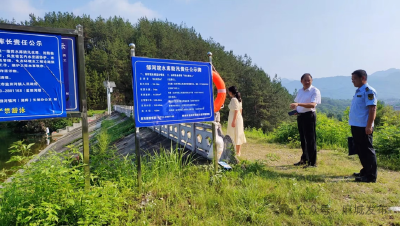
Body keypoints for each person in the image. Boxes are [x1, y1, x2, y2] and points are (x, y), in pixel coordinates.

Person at [349, 69, 377, 183]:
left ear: (363, 78)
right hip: (356, 125)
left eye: (355, 79)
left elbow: (372, 109)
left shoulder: (368, 91)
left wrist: (369, 125)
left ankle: (371, 176)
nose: (353, 81)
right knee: (360, 150)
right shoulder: (358, 91)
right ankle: (365, 170)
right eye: (352, 79)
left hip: (364, 126)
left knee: (367, 150)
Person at [290, 73, 321, 168]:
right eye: (305, 80)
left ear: (312, 81)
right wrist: (295, 110)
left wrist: (298, 104)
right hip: (300, 116)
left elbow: (312, 105)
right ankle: (304, 158)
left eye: (309, 80)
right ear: (301, 81)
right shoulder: (300, 91)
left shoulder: (314, 91)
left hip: (309, 116)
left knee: (310, 140)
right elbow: (298, 104)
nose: (307, 82)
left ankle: (312, 163)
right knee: (303, 139)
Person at [226, 86, 246, 156]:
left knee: (235, 133)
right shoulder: (239, 99)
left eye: (228, 91)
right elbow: (240, 110)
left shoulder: (234, 99)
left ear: (231, 92)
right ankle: (238, 151)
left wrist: (234, 121)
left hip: (235, 118)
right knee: (238, 134)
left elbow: (236, 110)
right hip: (239, 118)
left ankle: (236, 152)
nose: (228, 93)